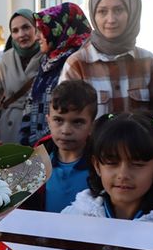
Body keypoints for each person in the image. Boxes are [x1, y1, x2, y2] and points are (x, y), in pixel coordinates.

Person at [59, 0, 153, 118]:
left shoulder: (148, 62)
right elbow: (67, 121)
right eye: (102, 11)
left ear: (132, 12)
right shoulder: (77, 64)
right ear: (93, 16)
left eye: (118, 10)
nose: (111, 19)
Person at [62, 112, 153, 222]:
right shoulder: (73, 217)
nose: (123, 175)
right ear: (97, 165)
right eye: (112, 163)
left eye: (137, 164)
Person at [19, 2, 92, 146]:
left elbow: (69, 113)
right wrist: (25, 143)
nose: (37, 37)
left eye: (42, 30)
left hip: (59, 149)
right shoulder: (47, 62)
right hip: (36, 148)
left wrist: (38, 141)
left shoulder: (76, 64)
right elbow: (30, 104)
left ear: (60, 29)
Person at [22, 80, 97, 213]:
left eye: (77, 122)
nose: (66, 130)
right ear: (48, 121)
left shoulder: (101, 166)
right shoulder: (35, 161)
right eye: (58, 120)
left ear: (92, 125)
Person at [0, 9, 43, 144]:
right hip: (9, 129)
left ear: (36, 28)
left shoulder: (46, 56)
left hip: (39, 128)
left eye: (26, 27)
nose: (21, 34)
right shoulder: (7, 58)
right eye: (15, 30)